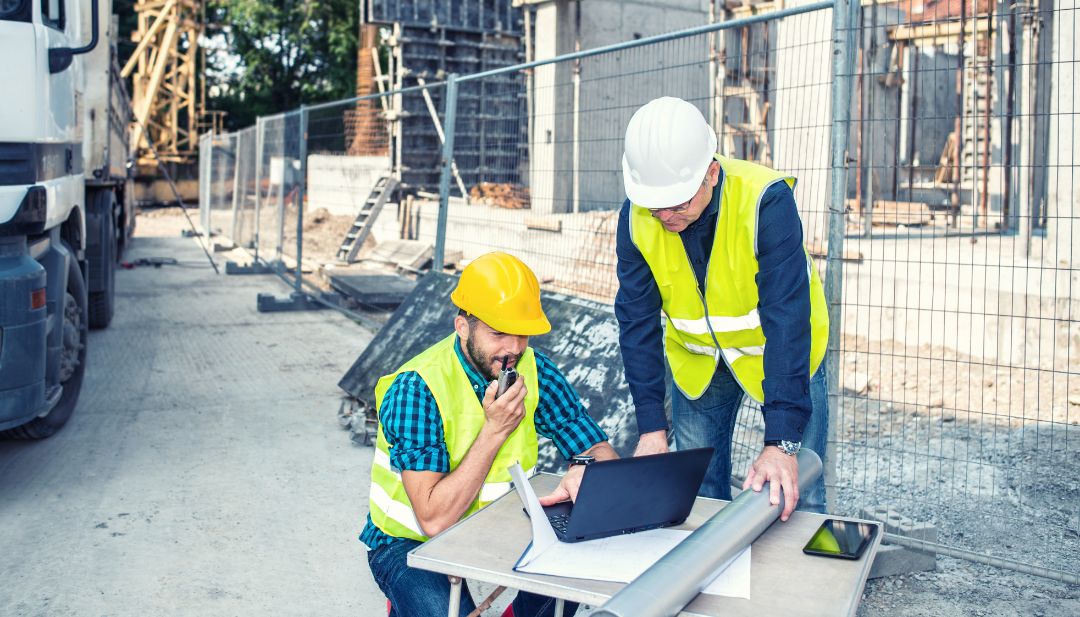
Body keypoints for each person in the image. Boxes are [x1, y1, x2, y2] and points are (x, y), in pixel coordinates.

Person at [361, 251, 617, 617]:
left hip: (497, 524)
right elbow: (434, 520)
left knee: (570, 574)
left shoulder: (532, 367)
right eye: (498, 333)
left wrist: (587, 466)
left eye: (522, 334)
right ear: (463, 327)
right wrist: (494, 430)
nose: (513, 348)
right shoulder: (416, 388)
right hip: (408, 540)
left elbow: (597, 447)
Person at [615, 96, 830, 522]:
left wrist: (781, 442)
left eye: (678, 203)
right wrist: (652, 428)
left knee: (797, 493)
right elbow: (636, 323)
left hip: (782, 355)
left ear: (711, 172)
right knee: (697, 499)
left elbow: (787, 320)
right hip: (698, 363)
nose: (665, 215)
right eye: (656, 205)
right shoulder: (637, 218)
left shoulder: (765, 201)